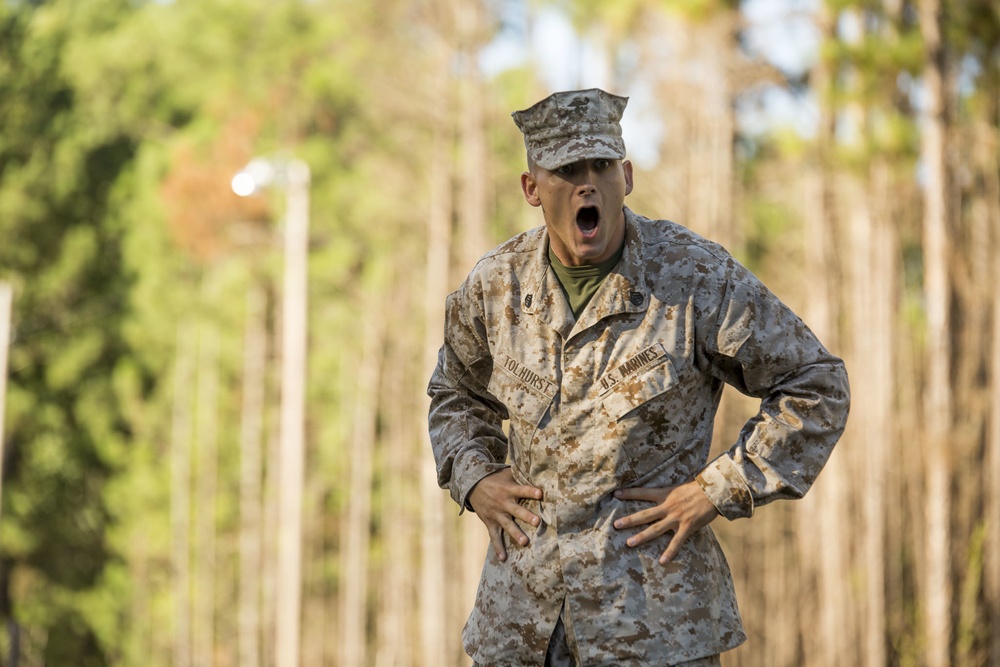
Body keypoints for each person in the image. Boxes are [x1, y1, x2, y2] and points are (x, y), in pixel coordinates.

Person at [427, 88, 850, 666]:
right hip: (521, 630)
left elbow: (816, 386)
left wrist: (715, 489)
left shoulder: (692, 278)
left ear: (626, 175)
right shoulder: (495, 286)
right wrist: (475, 477)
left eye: (601, 166)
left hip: (657, 629)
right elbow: (454, 392)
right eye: (566, 170)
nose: (587, 184)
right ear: (532, 188)